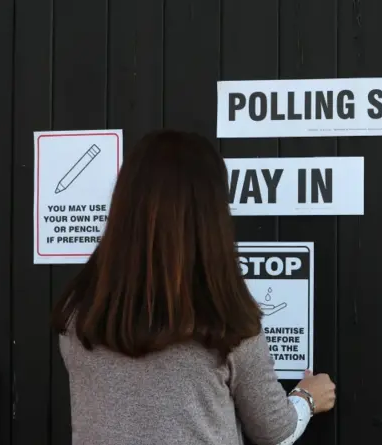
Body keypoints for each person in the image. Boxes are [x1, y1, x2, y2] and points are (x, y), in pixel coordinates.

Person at [51, 129, 336, 445]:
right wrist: (307, 398)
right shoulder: (226, 322)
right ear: (210, 218)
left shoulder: (78, 317)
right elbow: (274, 432)